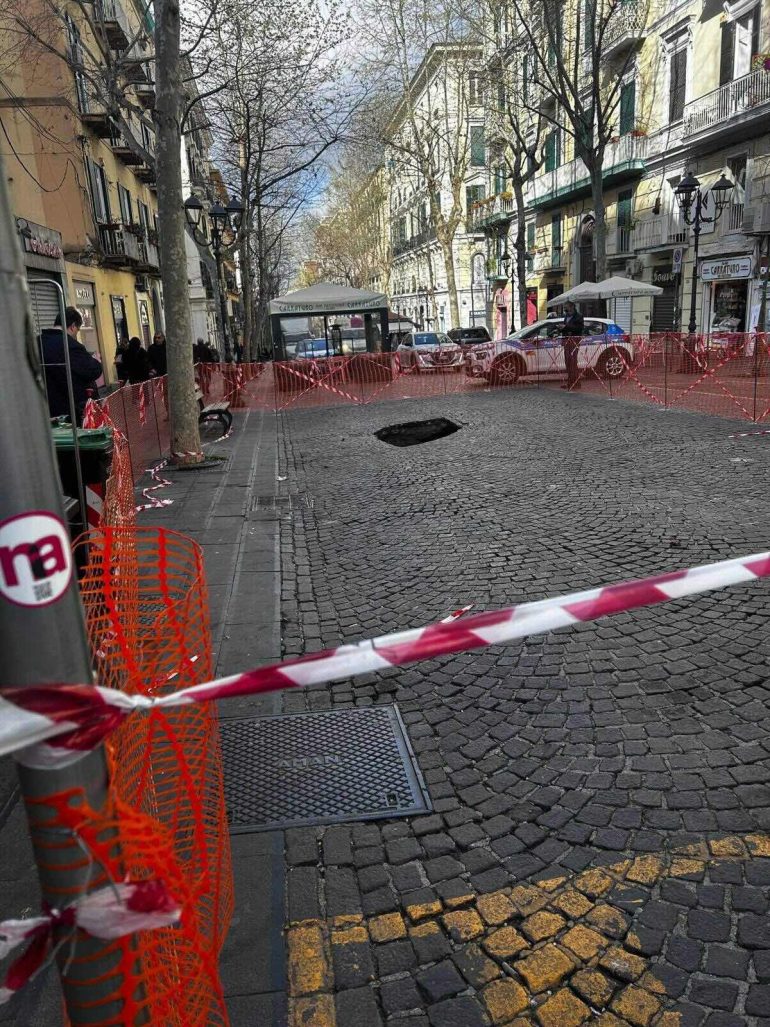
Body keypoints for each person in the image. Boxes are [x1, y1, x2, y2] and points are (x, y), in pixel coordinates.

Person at [40, 306, 102, 424]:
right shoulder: (71, 345)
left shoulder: (36, 343)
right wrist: (96, 361)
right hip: (69, 412)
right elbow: (92, 371)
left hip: (43, 410)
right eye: (77, 330)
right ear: (73, 326)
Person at [561, 301, 585, 390]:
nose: (565, 309)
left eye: (566, 307)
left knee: (573, 362)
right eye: (564, 307)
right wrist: (561, 329)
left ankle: (576, 383)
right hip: (566, 340)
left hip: (574, 341)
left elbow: (579, 328)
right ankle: (570, 382)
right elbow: (566, 327)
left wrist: (565, 327)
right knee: (567, 362)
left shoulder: (579, 316)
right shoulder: (566, 316)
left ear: (572, 307)